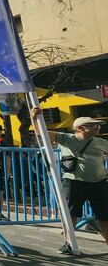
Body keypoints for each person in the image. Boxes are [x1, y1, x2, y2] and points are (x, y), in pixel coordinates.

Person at [30, 109, 108, 254]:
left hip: (99, 183)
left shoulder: (101, 142)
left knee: (104, 215)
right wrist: (34, 118)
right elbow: (41, 132)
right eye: (92, 125)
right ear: (79, 128)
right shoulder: (67, 138)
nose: (97, 127)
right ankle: (69, 244)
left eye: (97, 125)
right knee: (71, 214)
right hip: (74, 182)